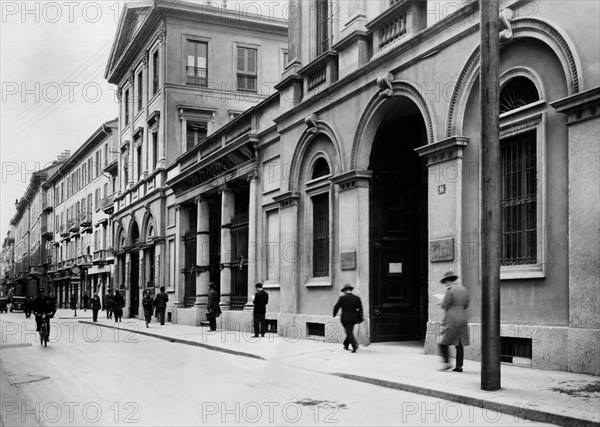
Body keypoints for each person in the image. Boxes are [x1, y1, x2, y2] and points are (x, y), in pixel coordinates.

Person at [437, 270, 470, 372]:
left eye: (445, 282)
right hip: (463, 318)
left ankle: (447, 363)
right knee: (459, 344)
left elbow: (444, 305)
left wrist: (441, 302)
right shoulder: (465, 290)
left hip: (452, 319)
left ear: (447, 281)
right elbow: (466, 305)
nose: (445, 284)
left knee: (442, 342)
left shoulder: (450, 290)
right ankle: (459, 366)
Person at [333, 284, 364, 353]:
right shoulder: (357, 298)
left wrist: (334, 314)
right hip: (354, 318)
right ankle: (346, 344)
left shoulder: (342, 298)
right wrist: (360, 317)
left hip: (345, 318)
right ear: (350, 290)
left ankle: (354, 346)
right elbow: (360, 309)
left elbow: (336, 306)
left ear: (345, 291)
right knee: (349, 332)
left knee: (349, 332)